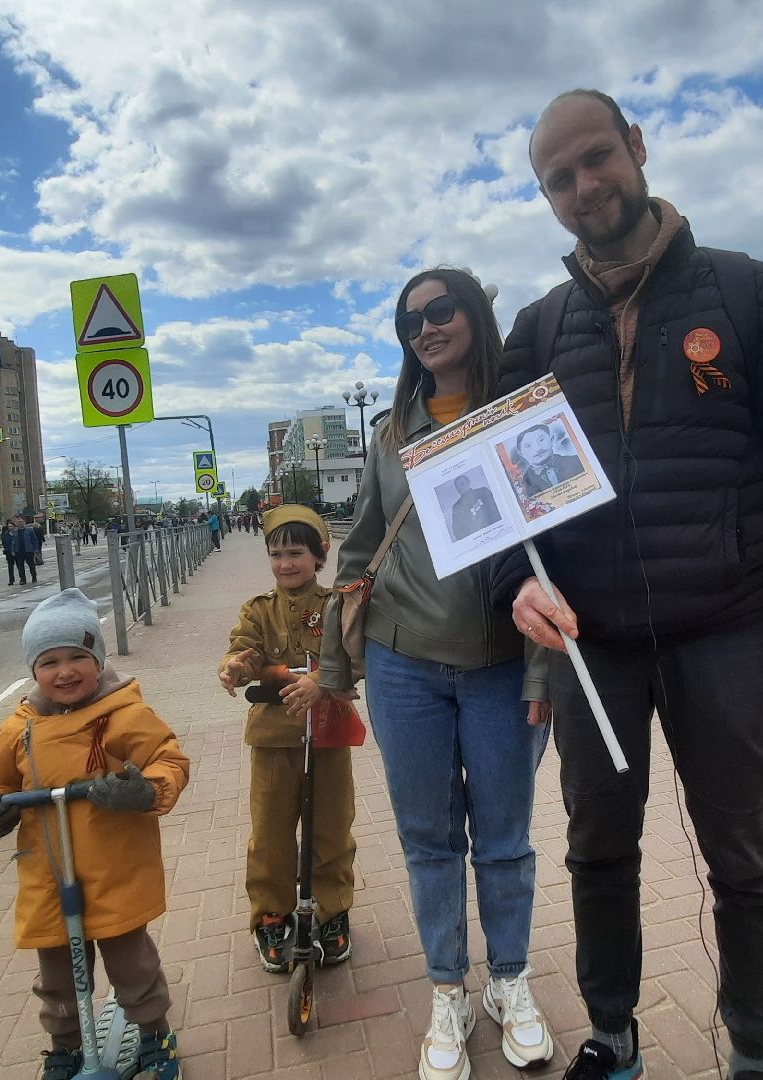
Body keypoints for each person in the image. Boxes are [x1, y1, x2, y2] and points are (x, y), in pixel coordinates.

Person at [500, 90, 763, 1080]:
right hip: (594, 643)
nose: (585, 186)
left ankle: (752, 1052)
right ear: (547, 197)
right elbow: (502, 504)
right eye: (558, 179)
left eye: (596, 158)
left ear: (638, 147)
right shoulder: (536, 331)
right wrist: (512, 592)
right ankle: (612, 1034)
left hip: (729, 630)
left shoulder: (750, 294)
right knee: (597, 853)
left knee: (745, 860)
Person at [316, 266, 555, 1079]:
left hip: (498, 666)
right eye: (408, 320)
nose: (425, 327)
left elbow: (551, 561)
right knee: (428, 842)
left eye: (441, 309)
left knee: (504, 842)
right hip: (401, 669)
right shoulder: (390, 433)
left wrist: (538, 679)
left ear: (475, 314)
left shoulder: (524, 415)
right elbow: (359, 550)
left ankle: (509, 983)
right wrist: (332, 665)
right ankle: (448, 989)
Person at [0, 588, 190, 1080]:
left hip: (113, 869)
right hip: (49, 873)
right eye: (50, 662)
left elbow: (168, 761)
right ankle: (64, 1046)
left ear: (97, 660)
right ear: (33, 670)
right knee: (59, 978)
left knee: (133, 966)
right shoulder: (19, 728)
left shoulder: (124, 714)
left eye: (77, 658)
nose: (65, 672)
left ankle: (153, 1034)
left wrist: (144, 791)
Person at [219, 505, 356, 974]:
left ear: (321, 554)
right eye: (275, 554)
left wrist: (324, 679)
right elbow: (244, 648)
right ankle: (271, 917)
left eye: (295, 553)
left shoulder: (338, 603)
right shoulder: (258, 609)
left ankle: (332, 912)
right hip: (274, 739)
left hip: (329, 735)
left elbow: (356, 655)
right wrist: (235, 666)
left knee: (331, 828)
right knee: (271, 833)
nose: (284, 564)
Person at [514, 423, 585, 494]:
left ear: (551, 439)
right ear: (521, 453)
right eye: (528, 446)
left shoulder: (577, 461)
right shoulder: (523, 485)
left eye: (541, 440)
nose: (538, 448)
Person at [448, 472, 503, 538]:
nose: (460, 488)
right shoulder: (456, 507)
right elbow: (457, 529)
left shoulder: (483, 492)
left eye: (462, 484)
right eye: (457, 487)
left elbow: (495, 510)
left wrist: (495, 529)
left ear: (468, 482)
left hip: (494, 532)